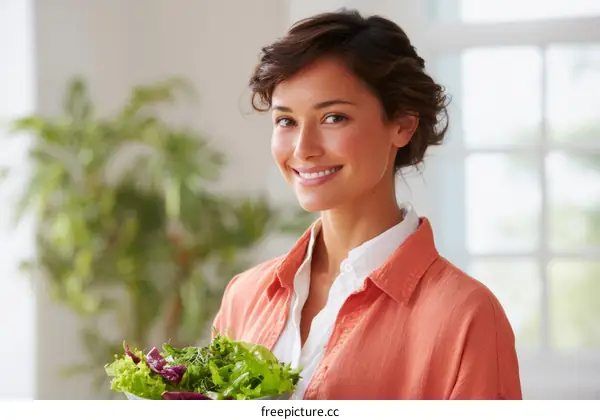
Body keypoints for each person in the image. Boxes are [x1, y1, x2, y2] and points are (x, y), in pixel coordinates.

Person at [212, 8, 522, 400]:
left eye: (334, 117)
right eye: (286, 121)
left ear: (402, 125)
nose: (303, 150)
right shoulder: (245, 296)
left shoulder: (465, 316)